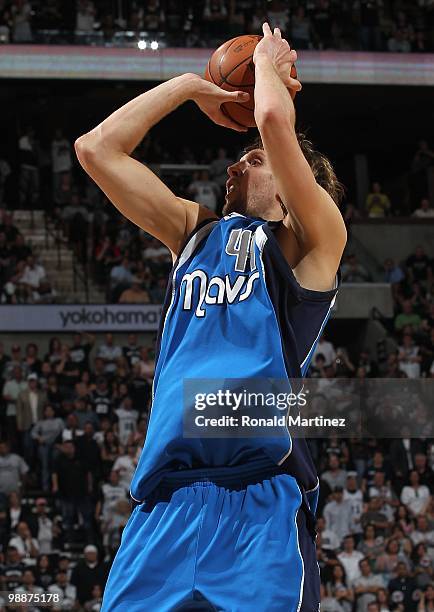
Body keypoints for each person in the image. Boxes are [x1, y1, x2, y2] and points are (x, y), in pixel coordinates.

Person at [75, 22, 346, 611]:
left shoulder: (313, 244)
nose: (232, 168)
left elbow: (275, 125)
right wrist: (188, 87)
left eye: (251, 161)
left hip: (259, 505)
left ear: (300, 181)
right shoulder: (195, 234)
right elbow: (96, 150)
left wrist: (268, 66)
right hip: (163, 508)